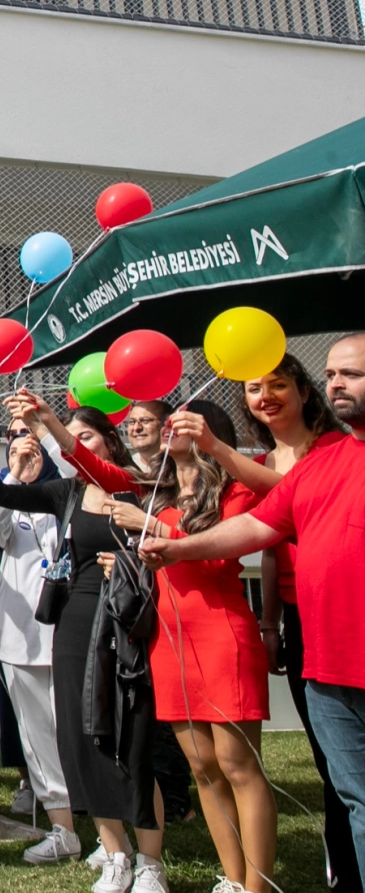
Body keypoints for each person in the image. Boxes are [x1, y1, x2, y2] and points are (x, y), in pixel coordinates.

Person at [144, 334, 365, 892]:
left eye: (352, 374)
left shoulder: (307, 457)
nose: (338, 382)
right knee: (353, 795)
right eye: (334, 373)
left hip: (294, 642)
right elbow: (265, 528)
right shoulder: (328, 460)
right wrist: (175, 547)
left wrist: (214, 452)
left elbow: (262, 506)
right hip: (324, 655)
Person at [95, 401, 275, 893]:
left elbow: (217, 557)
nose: (170, 429)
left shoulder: (236, 489)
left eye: (182, 422)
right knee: (202, 767)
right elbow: (95, 465)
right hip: (169, 639)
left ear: (210, 433)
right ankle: (234, 879)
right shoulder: (160, 493)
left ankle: (258, 886)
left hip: (220, 633)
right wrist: (49, 422)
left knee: (238, 765)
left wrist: (152, 528)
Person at [3, 392, 168, 893]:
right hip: (76, 619)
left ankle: (151, 863)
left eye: (87, 436)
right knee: (81, 736)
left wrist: (49, 420)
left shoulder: (138, 486)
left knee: (132, 740)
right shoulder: (69, 493)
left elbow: (165, 545)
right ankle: (115, 853)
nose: (75, 449)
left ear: (109, 443)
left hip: (127, 618)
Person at [240, 356, 356, 892]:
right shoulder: (266, 459)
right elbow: (267, 538)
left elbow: (287, 501)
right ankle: (344, 865)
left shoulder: (336, 450)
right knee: (332, 761)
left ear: (304, 392)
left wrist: (217, 451)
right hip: (301, 617)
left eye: (278, 385)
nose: (265, 396)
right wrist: (270, 624)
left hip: (343, 612)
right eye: (253, 388)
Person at [0, 404, 81, 865]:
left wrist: (45, 433)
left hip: (69, 637)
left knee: (81, 736)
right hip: (20, 640)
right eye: (14, 434)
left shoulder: (71, 492)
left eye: (29, 432)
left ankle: (105, 827)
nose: (23, 439)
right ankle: (63, 828)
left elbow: (79, 463)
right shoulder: (15, 495)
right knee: (38, 740)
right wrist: (13, 473)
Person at [125, 401, 173, 476]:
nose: (137, 428)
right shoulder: (125, 469)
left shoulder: (180, 466)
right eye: (132, 422)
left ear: (166, 424)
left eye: (145, 421)